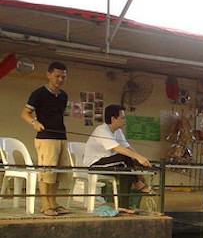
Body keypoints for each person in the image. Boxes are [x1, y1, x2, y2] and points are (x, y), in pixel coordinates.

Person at [20, 61, 71, 216]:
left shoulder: (63, 95)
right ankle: (45, 204)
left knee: (57, 172)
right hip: (46, 137)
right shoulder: (39, 93)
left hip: (61, 136)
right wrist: (35, 123)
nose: (60, 80)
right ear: (48, 75)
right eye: (57, 76)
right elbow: (24, 113)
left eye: (63, 77)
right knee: (46, 172)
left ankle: (53, 202)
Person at [83, 105, 152, 203]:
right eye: (122, 118)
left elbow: (126, 146)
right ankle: (137, 183)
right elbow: (117, 148)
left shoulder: (118, 131)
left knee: (126, 173)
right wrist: (137, 157)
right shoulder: (102, 130)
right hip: (94, 164)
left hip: (108, 162)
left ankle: (123, 206)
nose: (125, 120)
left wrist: (140, 158)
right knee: (124, 157)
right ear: (113, 119)